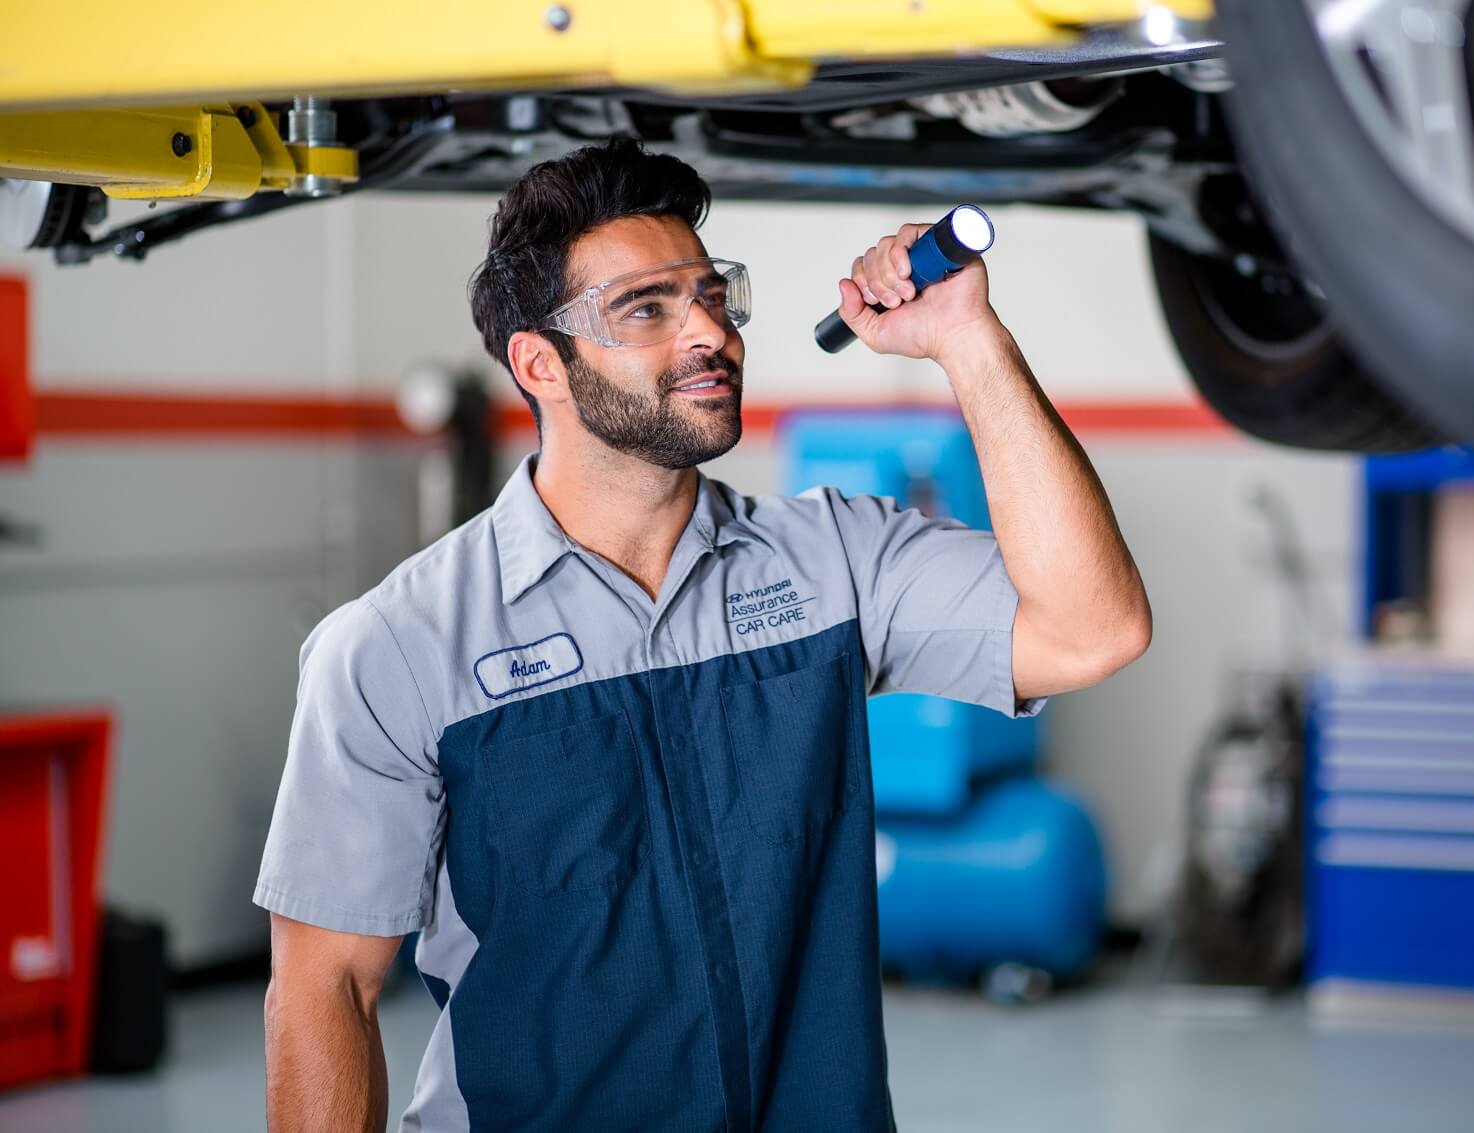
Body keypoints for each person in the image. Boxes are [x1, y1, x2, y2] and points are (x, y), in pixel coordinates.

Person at [255, 136, 1151, 1132]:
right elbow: (325, 986)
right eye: (647, 308)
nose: (708, 333)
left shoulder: (830, 562)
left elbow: (1090, 629)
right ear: (539, 363)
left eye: (712, 294)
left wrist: (967, 339)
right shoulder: (395, 644)